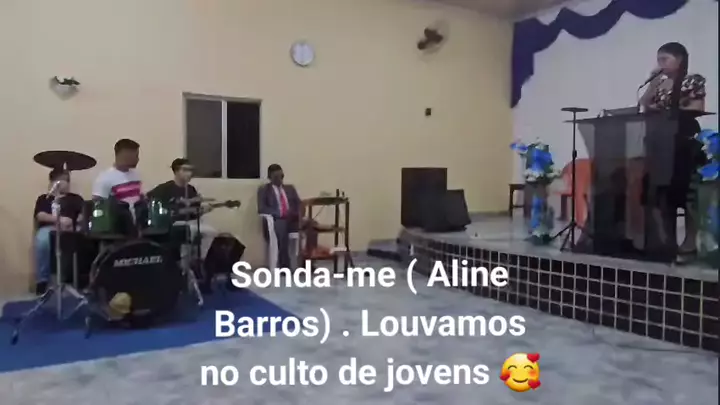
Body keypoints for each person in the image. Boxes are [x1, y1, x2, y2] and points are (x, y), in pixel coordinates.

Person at [640, 42, 706, 262]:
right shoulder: (660, 82)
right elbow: (644, 104)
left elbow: (697, 107)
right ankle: (667, 242)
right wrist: (652, 84)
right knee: (662, 195)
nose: (660, 64)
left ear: (679, 60)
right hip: (661, 144)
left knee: (687, 196)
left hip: (684, 142)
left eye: (665, 59)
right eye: (659, 60)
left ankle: (690, 243)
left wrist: (667, 110)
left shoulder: (692, 80)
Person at [147, 158, 218, 267]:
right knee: (191, 233)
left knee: (211, 232)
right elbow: (149, 200)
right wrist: (162, 215)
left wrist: (203, 211)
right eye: (185, 170)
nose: (189, 173)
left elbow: (195, 212)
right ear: (176, 171)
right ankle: (184, 264)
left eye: (191, 170)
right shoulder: (164, 189)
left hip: (191, 222)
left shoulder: (191, 189)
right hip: (173, 223)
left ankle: (202, 263)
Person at [33, 169, 85, 295]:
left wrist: (76, 222)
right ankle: (42, 281)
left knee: (84, 240)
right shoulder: (45, 198)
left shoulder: (76, 198)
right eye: (62, 179)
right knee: (42, 240)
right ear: (53, 182)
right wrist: (59, 220)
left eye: (67, 180)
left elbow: (83, 214)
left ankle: (79, 280)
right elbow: (40, 215)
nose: (65, 183)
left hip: (71, 230)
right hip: (50, 229)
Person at [257, 164, 318, 268]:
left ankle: (308, 261)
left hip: (293, 219)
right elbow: (262, 208)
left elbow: (299, 204)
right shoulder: (264, 190)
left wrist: (299, 215)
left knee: (313, 225)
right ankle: (285, 266)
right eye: (276, 177)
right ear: (269, 177)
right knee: (282, 226)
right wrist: (279, 213)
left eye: (281, 176)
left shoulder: (290, 188)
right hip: (276, 220)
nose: (280, 179)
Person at [92, 138, 142, 205]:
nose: (138, 159)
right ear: (125, 155)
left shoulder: (136, 175)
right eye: (136, 156)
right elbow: (98, 206)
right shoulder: (104, 179)